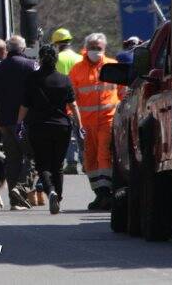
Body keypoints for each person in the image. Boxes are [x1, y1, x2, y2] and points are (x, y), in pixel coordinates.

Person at [17, 45, 84, 215]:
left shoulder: (31, 79)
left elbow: (24, 105)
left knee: (42, 164)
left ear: (40, 58)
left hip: (38, 127)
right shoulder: (64, 79)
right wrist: (80, 125)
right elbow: (73, 105)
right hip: (62, 126)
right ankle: (58, 198)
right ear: (56, 59)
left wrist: (19, 123)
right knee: (58, 165)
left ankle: (51, 191)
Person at [0, 35, 38, 210]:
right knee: (33, 157)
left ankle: (15, 202)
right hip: (27, 123)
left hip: (5, 123)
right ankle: (20, 189)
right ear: (22, 49)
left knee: (12, 160)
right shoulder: (32, 66)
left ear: (8, 50)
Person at [69, 33, 120, 210]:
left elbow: (123, 93)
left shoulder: (113, 66)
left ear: (104, 49)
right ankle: (99, 194)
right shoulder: (77, 70)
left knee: (103, 155)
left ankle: (107, 192)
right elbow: (72, 97)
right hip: (86, 124)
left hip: (108, 120)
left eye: (98, 48)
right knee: (89, 160)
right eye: (92, 47)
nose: (95, 51)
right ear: (86, 48)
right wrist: (72, 117)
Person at [51, 28, 84, 175]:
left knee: (68, 134)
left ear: (56, 44)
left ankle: (71, 163)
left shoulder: (57, 58)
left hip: (62, 101)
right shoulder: (80, 58)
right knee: (82, 132)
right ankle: (86, 163)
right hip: (82, 101)